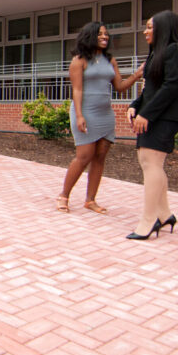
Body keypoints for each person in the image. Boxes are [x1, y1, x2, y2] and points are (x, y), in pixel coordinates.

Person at [57, 22, 144, 214]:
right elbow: (77, 90)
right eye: (100, 34)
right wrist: (79, 116)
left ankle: (90, 200)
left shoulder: (110, 60)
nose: (105, 37)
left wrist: (137, 75)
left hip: (105, 114)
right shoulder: (79, 61)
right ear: (90, 36)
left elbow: (120, 87)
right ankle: (64, 195)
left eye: (106, 34)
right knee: (84, 156)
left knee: (100, 157)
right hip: (85, 112)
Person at [126, 11, 178, 240]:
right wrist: (135, 106)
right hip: (154, 113)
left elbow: (172, 86)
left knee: (151, 163)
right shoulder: (158, 52)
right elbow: (150, 89)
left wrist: (147, 114)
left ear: (164, 29)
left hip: (166, 116)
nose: (145, 31)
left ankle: (148, 221)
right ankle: (165, 215)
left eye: (149, 27)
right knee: (149, 162)